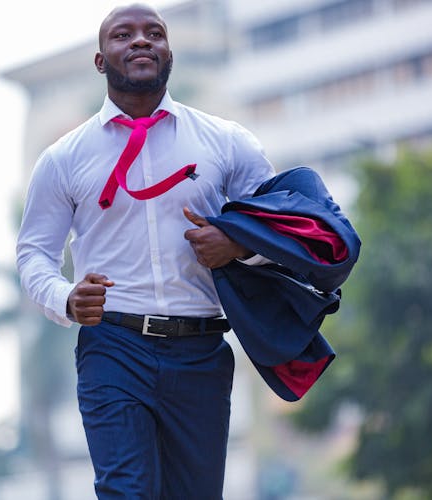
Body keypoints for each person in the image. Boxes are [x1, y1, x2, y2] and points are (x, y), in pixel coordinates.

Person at [16, 3, 274, 498]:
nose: (140, 41)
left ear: (168, 52)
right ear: (100, 60)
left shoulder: (226, 142)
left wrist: (238, 243)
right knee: (126, 491)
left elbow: (281, 232)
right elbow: (33, 254)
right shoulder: (64, 158)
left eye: (153, 33)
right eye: (123, 35)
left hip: (201, 349)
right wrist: (66, 298)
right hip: (113, 348)